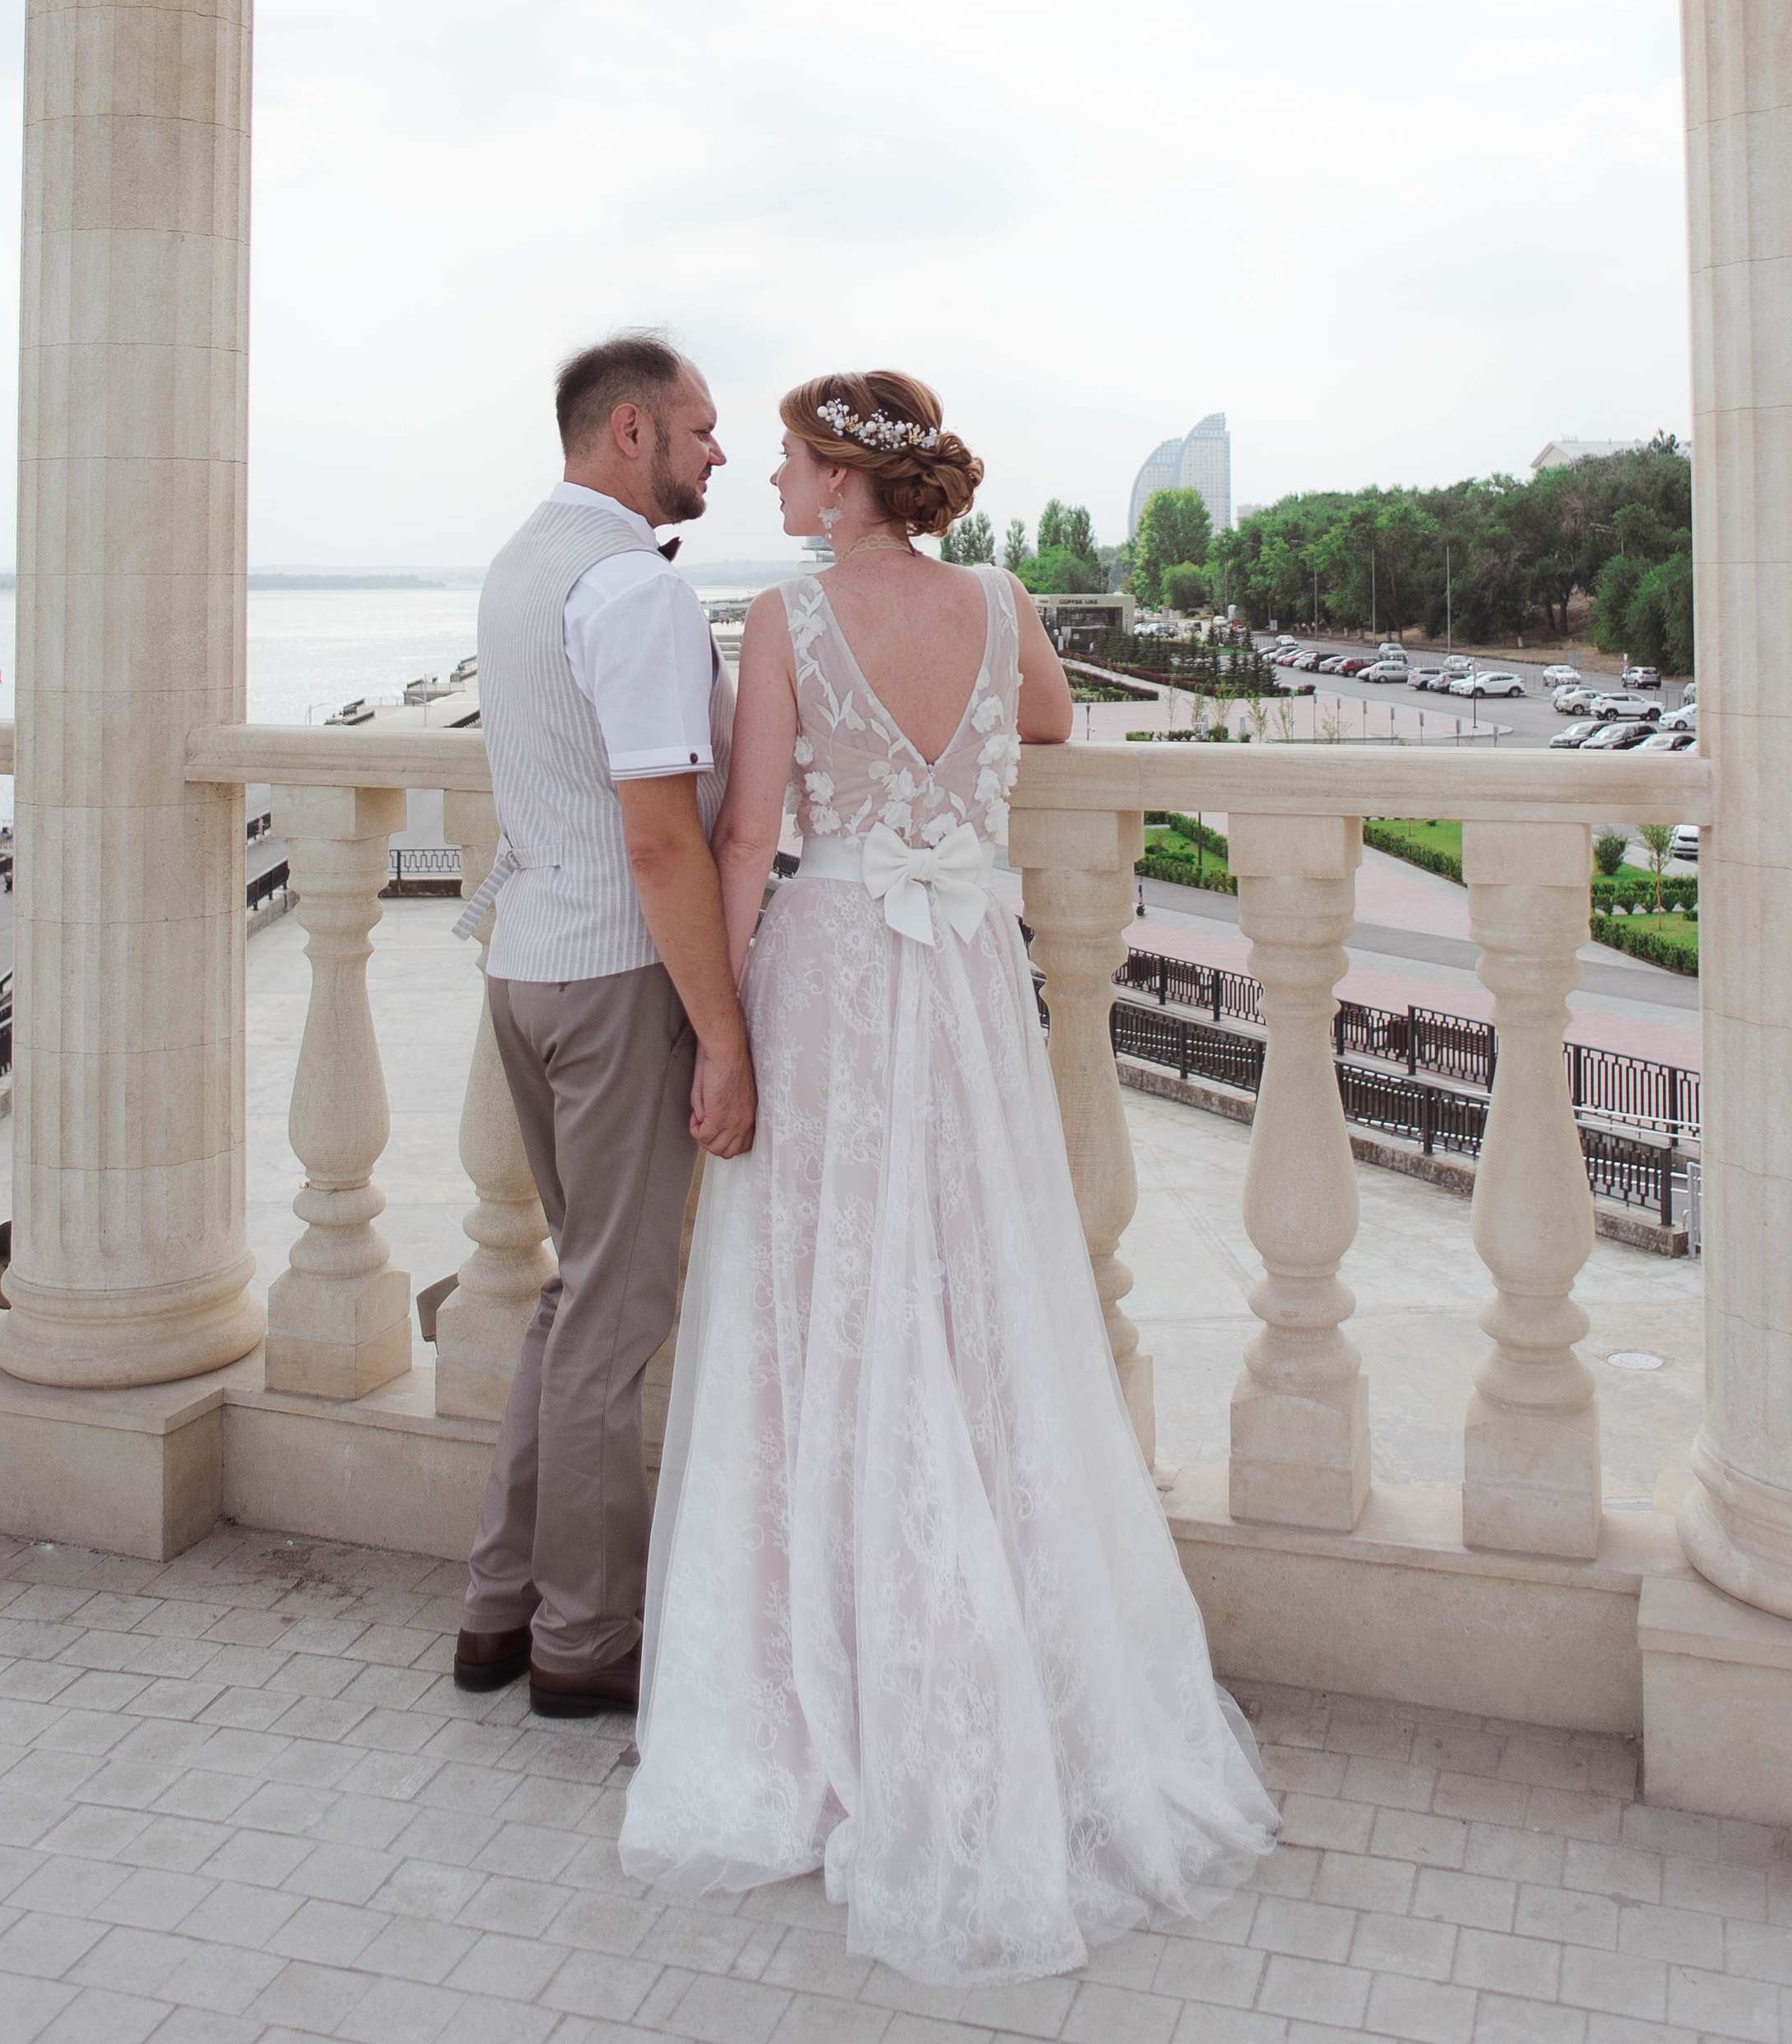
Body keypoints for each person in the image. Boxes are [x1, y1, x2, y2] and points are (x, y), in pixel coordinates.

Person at [620, 369, 1276, 1983]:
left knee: (830, 1286)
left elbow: (743, 837)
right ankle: (1016, 1644)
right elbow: (1041, 719)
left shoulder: (779, 624)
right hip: (967, 967)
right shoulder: (999, 598)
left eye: (786, 459)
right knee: (979, 1276)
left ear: (844, 477)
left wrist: (721, 1037)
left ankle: (836, 1665)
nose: (770, 479)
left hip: (841, 972)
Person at [451, 334, 756, 1718]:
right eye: (701, 430)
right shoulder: (630, 590)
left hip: (526, 967)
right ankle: (585, 1639)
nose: (719, 454)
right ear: (629, 433)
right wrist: (724, 1034)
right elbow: (660, 847)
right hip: (613, 981)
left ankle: (498, 1607)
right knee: (614, 1315)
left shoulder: (521, 561)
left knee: (573, 1300)